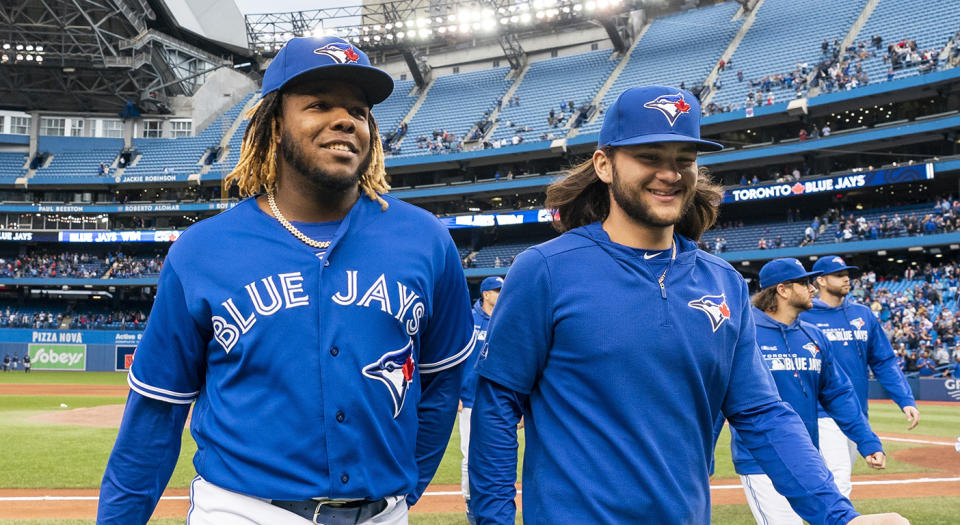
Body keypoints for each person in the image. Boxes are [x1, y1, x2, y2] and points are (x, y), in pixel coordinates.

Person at [467, 85, 908, 525]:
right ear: (604, 164)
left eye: (685, 159)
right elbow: (498, 406)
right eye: (650, 156)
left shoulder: (725, 282)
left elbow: (761, 414)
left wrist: (841, 518)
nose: (671, 173)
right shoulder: (545, 270)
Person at [98, 36, 475, 525]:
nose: (346, 120)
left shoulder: (425, 240)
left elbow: (441, 385)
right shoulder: (202, 251)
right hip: (243, 511)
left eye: (358, 112)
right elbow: (155, 414)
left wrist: (402, 492)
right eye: (319, 105)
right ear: (274, 125)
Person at [730, 258, 886, 524]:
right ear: (783, 290)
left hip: (806, 458)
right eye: (804, 283)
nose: (812, 288)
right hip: (760, 459)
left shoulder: (814, 336)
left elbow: (839, 394)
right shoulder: (744, 334)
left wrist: (867, 440)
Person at [800, 256, 918, 498]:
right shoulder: (804, 316)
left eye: (848, 274)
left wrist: (905, 400)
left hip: (856, 413)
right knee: (839, 477)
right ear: (820, 280)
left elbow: (884, 362)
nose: (846, 279)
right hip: (821, 411)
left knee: (837, 479)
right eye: (839, 274)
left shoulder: (862, 314)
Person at [460, 276, 503, 525]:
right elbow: (458, 356)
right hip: (468, 397)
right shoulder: (469, 319)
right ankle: (470, 502)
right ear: (485, 294)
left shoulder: (504, 317)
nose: (500, 294)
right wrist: (456, 392)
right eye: (497, 290)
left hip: (494, 398)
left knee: (494, 455)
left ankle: (490, 504)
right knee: (469, 456)